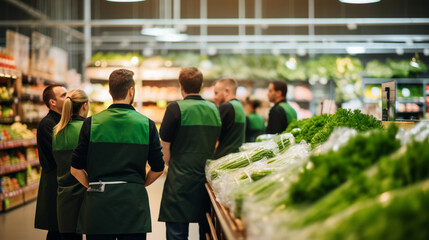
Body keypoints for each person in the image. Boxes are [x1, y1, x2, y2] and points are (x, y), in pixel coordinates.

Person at [70, 69, 165, 240]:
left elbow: (75, 169)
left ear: (110, 92)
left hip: (98, 206)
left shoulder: (91, 123)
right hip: (133, 205)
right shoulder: (147, 125)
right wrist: (138, 185)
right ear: (131, 91)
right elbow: (158, 168)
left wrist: (92, 185)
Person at [158, 67, 221, 240]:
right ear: (201, 85)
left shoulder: (175, 109)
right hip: (206, 178)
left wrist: (172, 163)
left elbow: (164, 147)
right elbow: (217, 142)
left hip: (179, 179)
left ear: (181, 86)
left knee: (177, 231)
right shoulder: (214, 109)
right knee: (207, 230)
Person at [52, 90, 89, 240]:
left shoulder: (56, 131)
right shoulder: (88, 128)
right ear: (85, 106)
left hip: (64, 197)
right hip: (87, 196)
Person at [35, 84, 67, 240]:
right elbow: (58, 154)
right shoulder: (47, 124)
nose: (67, 97)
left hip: (63, 180)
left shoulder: (64, 120)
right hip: (54, 182)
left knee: (63, 228)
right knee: (56, 228)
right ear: (52, 102)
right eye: (63, 95)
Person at [213, 78, 246, 159]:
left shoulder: (226, 107)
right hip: (235, 157)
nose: (214, 97)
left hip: (224, 157)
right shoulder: (239, 106)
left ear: (227, 91)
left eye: (216, 93)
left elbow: (213, 135)